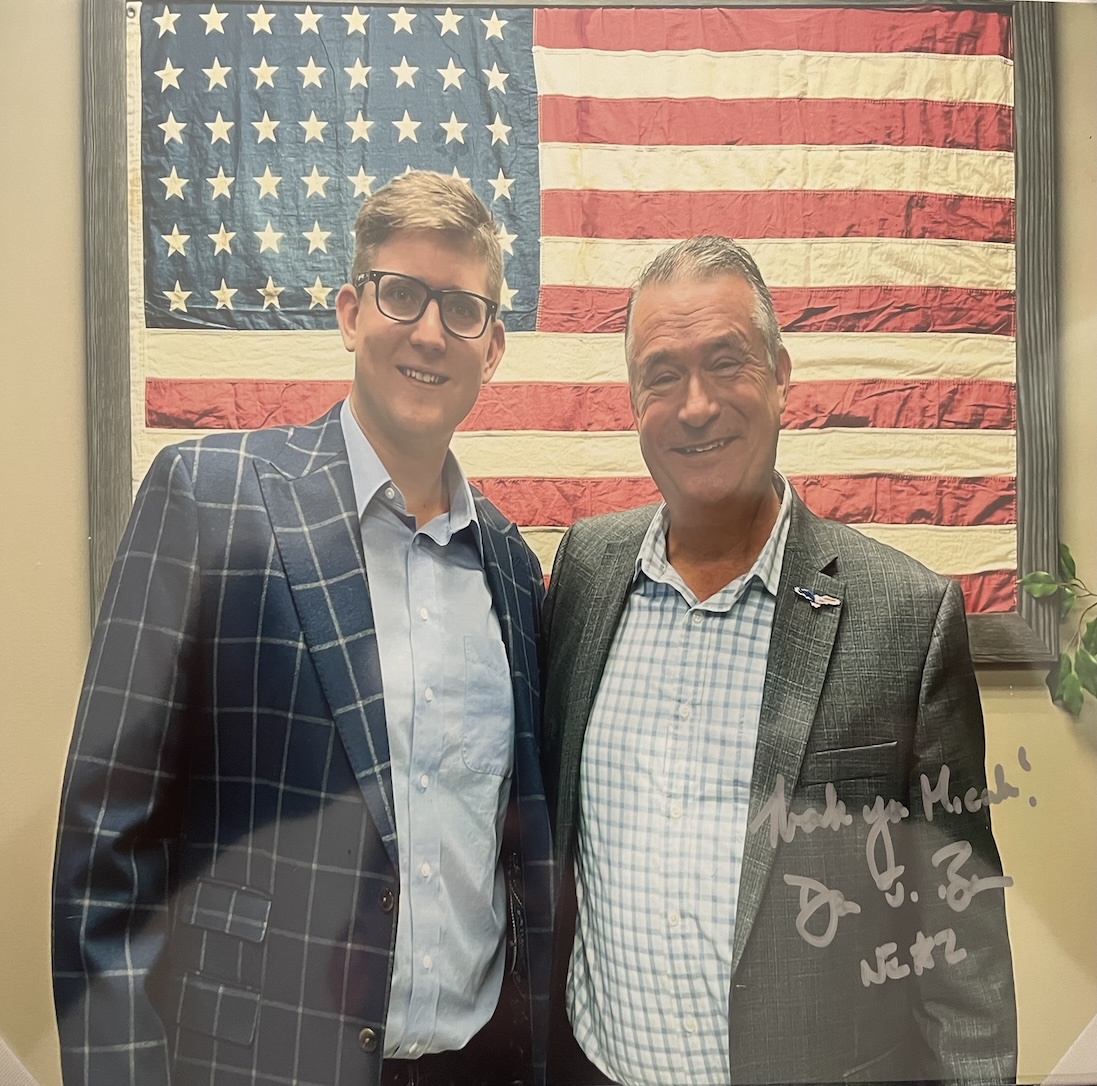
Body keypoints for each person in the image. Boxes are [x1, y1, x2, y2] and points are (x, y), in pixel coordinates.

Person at [53, 171, 553, 1086]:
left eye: (463, 309)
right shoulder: (208, 500)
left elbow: (516, 858)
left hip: (477, 1063)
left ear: (494, 349)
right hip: (260, 1062)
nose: (431, 331)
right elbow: (105, 849)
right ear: (351, 311)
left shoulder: (514, 574)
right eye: (403, 294)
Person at [540, 236, 1017, 1086]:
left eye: (726, 362)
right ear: (631, 399)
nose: (695, 405)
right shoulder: (584, 571)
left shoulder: (904, 618)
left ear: (780, 374)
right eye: (662, 373)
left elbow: (961, 948)